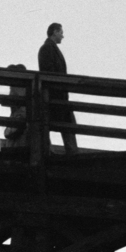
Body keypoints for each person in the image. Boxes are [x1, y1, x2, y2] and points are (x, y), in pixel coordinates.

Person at [37, 23, 77, 154]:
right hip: (56, 96)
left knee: (59, 123)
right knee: (65, 124)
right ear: (54, 32)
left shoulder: (48, 48)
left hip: (56, 96)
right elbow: (49, 73)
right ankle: (70, 154)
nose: (63, 36)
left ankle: (52, 151)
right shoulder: (48, 48)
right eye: (61, 32)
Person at [2, 63, 29, 146]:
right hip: (25, 119)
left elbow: (12, 104)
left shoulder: (15, 88)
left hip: (22, 119)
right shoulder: (27, 86)